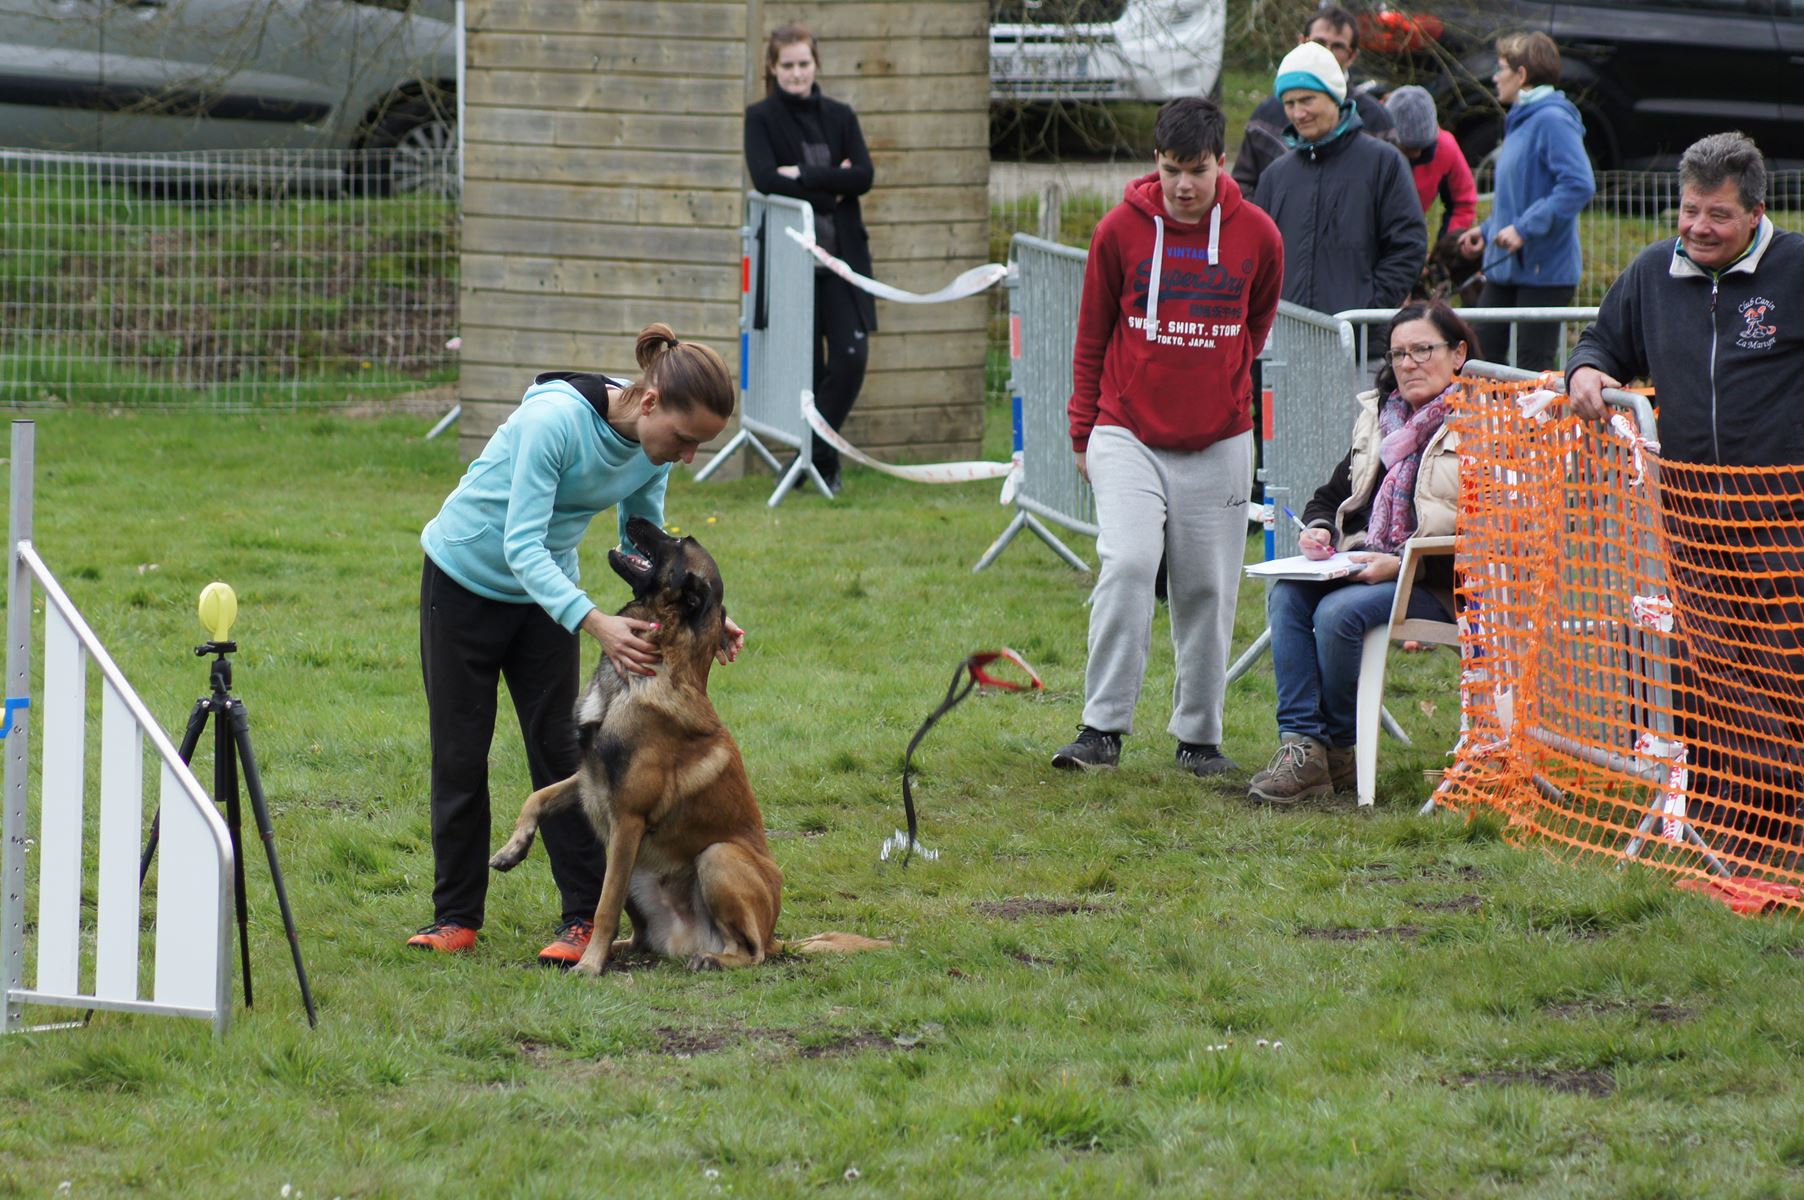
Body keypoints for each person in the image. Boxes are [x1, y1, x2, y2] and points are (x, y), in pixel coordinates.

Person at [410, 324, 746, 962]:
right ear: (649, 404)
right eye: (684, 439)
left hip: (544, 598)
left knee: (563, 752)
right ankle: (454, 915)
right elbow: (519, 545)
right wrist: (596, 621)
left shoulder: (647, 452)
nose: (686, 457)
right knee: (459, 750)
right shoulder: (555, 423)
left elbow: (643, 541)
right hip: (462, 584)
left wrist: (704, 618)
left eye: (698, 446)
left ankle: (581, 920)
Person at [1566, 131, 1804, 869]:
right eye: (1690, 210)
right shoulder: (1649, 274)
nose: (1699, 227)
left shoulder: (1797, 268)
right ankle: (1738, 813)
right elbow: (1603, 341)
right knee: (1710, 667)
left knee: (1782, 666)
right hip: (1691, 513)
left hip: (1784, 512)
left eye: (1719, 215)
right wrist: (1586, 371)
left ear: (1757, 212)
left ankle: (1781, 817)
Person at [1051, 97, 1284, 777]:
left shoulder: (1259, 236)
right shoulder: (1119, 230)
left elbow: (1257, 322)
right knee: (1125, 563)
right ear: (1155, 164)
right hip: (1126, 432)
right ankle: (1101, 729)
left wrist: (1217, 380)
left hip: (1219, 439)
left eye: (1199, 170)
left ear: (1221, 164)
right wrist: (1081, 430)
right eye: (1173, 169)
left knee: (1208, 588)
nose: (1185, 185)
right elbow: (1092, 333)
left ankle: (1198, 738)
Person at [1248, 301, 1479, 805]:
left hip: (1441, 583)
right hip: (1365, 563)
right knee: (1288, 592)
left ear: (1458, 353)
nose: (1409, 363)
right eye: (1399, 353)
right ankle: (1303, 746)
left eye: (1423, 349)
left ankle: (1334, 747)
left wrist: (1402, 565)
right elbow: (1334, 494)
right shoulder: (1382, 415)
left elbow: (1494, 535)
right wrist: (1317, 530)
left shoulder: (1485, 424)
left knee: (1337, 612)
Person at [743, 24, 875, 497]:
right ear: (773, 68)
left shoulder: (840, 116)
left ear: (815, 64)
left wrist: (802, 174)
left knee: (850, 357)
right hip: (792, 265)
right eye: (788, 65)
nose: (797, 73)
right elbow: (764, 178)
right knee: (806, 369)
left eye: (804, 63)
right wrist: (831, 182)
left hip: (841, 262)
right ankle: (825, 467)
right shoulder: (760, 118)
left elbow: (863, 176)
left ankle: (809, 458)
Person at [1252, 41, 1425, 318]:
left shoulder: (1384, 162)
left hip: (1357, 345)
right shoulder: (1275, 176)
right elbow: (1257, 256)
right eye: (1289, 103)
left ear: (1334, 97)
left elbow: (1408, 246)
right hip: (1287, 343)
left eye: (1308, 99)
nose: (1298, 113)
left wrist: (1367, 310)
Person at [1456, 31, 1595, 369]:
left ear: (1521, 75)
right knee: (1481, 357)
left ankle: (1533, 426)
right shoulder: (1519, 119)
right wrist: (1488, 231)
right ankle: (1485, 425)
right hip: (1506, 267)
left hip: (1545, 273)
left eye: (1501, 68)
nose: (1494, 76)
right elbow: (1522, 195)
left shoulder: (1553, 119)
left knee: (1533, 373)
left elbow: (1578, 184)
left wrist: (1523, 229)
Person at [1232, 5, 1396, 199]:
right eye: (1319, 42)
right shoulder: (1266, 115)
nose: (1326, 52)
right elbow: (1242, 187)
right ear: (1302, 42)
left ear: (1352, 56)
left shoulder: (1376, 120)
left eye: (1337, 46)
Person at [1385, 84, 1477, 241]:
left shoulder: (1446, 147)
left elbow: (1463, 205)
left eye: (1423, 145)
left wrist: (1444, 251)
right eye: (1409, 147)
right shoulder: (1366, 140)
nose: (1417, 154)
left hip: (1409, 238)